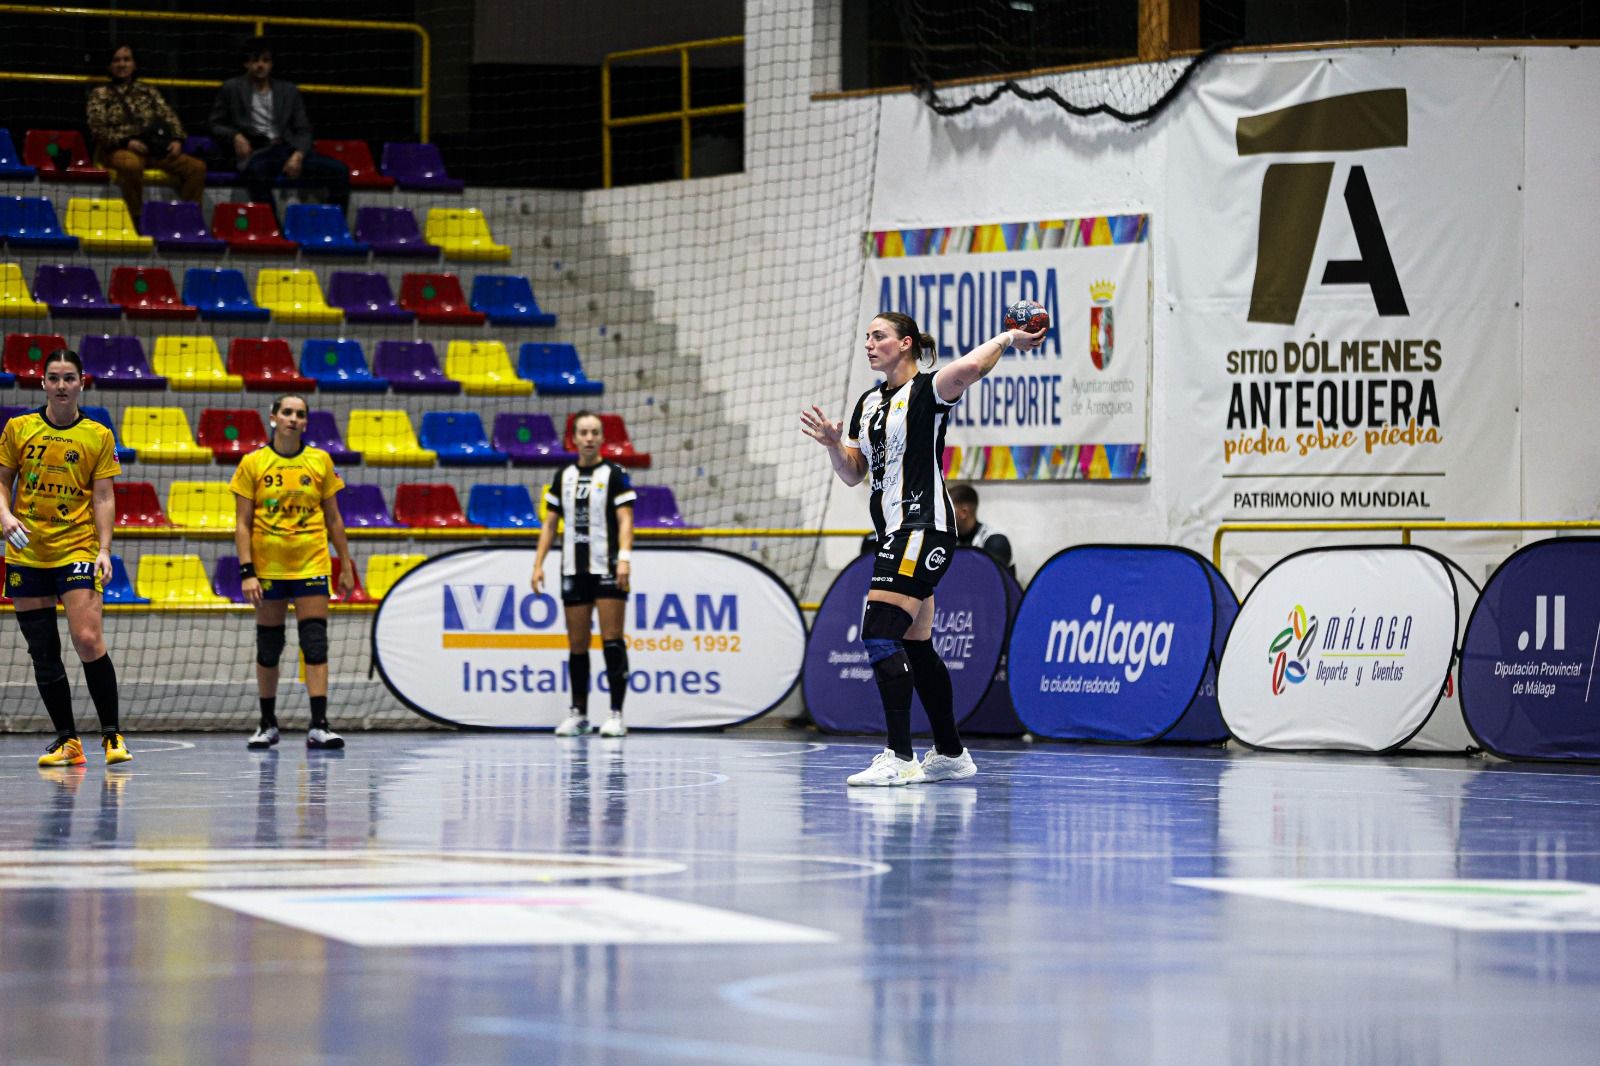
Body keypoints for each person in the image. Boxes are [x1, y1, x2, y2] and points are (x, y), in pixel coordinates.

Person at [801, 312, 1045, 786]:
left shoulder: (927, 391)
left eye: (879, 336)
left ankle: (899, 755)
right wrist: (834, 445)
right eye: (867, 337)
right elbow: (854, 473)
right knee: (917, 643)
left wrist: (1010, 338)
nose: (869, 344)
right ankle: (951, 754)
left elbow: (971, 368)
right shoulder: (868, 403)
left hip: (923, 525)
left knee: (878, 632)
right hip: (892, 531)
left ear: (905, 344)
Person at [0, 350, 129, 767]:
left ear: (81, 382)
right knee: (43, 650)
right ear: (42, 384)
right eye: (53, 378)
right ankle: (68, 742)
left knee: (88, 640)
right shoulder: (18, 428)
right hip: (27, 551)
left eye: (68, 378)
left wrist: (105, 550)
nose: (60, 385)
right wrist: (4, 517)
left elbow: (105, 496)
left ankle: (111, 736)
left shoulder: (98, 434)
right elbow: (2, 483)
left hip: (77, 548)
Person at [229, 393, 356, 750]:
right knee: (269, 648)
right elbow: (242, 523)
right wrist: (247, 571)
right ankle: (267, 723)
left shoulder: (320, 461)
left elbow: (334, 518)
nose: (293, 419)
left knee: (315, 644)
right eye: (287, 412)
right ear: (273, 417)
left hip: (311, 564)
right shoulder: (253, 463)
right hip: (268, 569)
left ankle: (319, 724)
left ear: (305, 422)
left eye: (300, 414)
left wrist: (344, 564)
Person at [531, 412, 637, 738]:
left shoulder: (615, 474)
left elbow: (625, 521)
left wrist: (624, 559)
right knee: (577, 645)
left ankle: (616, 714)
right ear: (573, 438)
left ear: (602, 438)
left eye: (594, 432)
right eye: (583, 432)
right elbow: (550, 525)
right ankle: (579, 714)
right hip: (573, 570)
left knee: (612, 641)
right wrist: (538, 564)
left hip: (606, 568)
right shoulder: (563, 476)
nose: (589, 438)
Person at [208, 36, 350, 220]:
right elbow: (215, 124)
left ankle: (335, 226)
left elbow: (303, 129)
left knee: (339, 171)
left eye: (265, 60)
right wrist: (235, 135)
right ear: (246, 64)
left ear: (272, 64)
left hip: (287, 149)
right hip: (257, 152)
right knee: (256, 172)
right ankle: (274, 231)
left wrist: (298, 155)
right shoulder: (232, 88)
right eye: (255, 60)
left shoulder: (288, 90)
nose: (260, 65)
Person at [85, 44, 207, 226]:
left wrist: (177, 139)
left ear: (134, 64)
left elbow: (169, 116)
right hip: (118, 151)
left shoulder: (148, 91)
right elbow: (97, 130)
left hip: (153, 151)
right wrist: (127, 142)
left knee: (197, 167)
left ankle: (188, 220)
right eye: (116, 60)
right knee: (131, 165)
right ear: (109, 66)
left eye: (127, 59)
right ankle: (137, 219)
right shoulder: (100, 94)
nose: (122, 64)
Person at [947, 482, 1014, 576]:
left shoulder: (996, 542)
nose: (941, 515)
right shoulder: (947, 538)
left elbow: (991, 582)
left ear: (964, 513)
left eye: (946, 509)